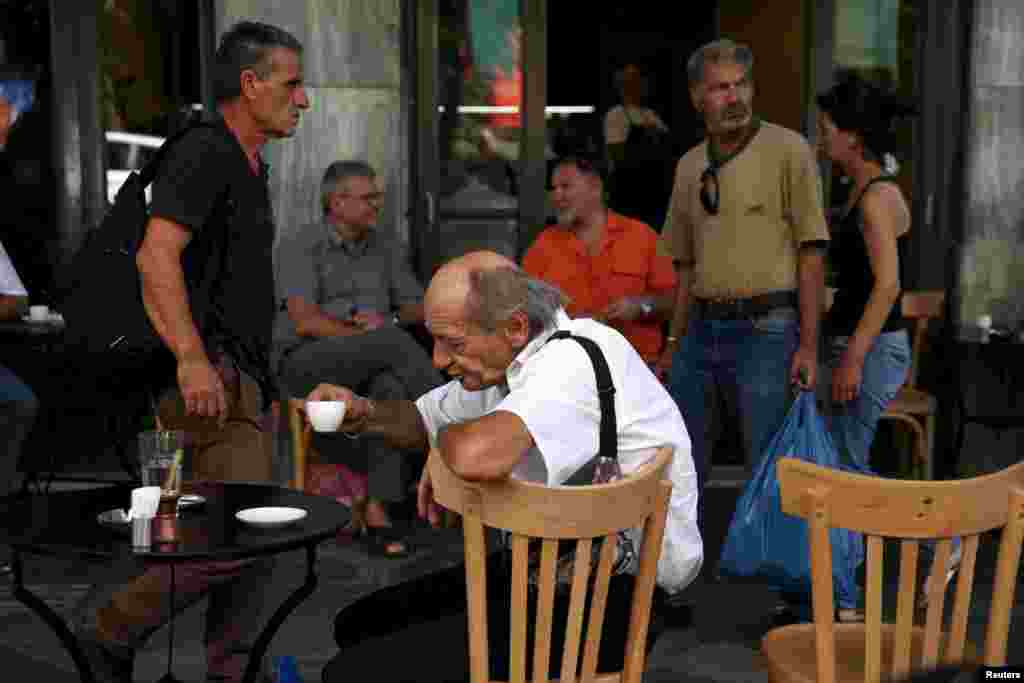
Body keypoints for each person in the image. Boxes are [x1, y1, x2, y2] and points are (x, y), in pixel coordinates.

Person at [314, 251, 702, 682]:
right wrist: (363, 412)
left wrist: (444, 453)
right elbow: (425, 421)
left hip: (610, 602)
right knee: (358, 624)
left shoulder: (570, 363)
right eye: (436, 341)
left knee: (352, 673)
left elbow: (475, 455)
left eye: (454, 343)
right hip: (552, 569)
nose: (438, 360)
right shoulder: (507, 365)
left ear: (515, 327)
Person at [76, 21, 309, 683]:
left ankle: (228, 665)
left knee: (208, 536)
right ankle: (109, 630)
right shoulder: (207, 152)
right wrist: (192, 358)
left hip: (221, 384)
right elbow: (157, 255)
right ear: (250, 82)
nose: (304, 98)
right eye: (292, 83)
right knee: (235, 533)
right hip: (202, 388)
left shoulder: (244, 160)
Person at [657, 38, 829, 528]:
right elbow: (685, 266)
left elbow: (811, 253)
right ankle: (674, 579)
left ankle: (787, 593)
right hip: (700, 333)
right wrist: (673, 341)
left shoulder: (788, 150)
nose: (733, 98)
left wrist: (809, 346)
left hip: (769, 330)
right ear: (697, 97)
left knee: (773, 468)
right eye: (719, 88)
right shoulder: (689, 166)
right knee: (680, 462)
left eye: (741, 85)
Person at [817, 74, 958, 613]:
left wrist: (853, 355)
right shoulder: (864, 191)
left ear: (853, 137)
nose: (822, 138)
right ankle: (848, 590)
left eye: (828, 129)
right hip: (861, 343)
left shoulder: (876, 198)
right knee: (844, 467)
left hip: (870, 349)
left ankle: (935, 538)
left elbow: (888, 285)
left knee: (847, 469)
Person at [275, 159, 443, 557]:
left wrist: (390, 319)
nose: (376, 205)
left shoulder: (386, 245)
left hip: (374, 360)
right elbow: (305, 322)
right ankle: (454, 426)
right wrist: (372, 336)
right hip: (307, 361)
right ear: (336, 202)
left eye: (377, 197)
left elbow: (419, 307)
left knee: (387, 387)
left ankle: (378, 509)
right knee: (391, 345)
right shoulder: (300, 245)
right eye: (367, 198)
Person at [522, 155, 677, 366]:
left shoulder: (641, 236)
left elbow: (672, 302)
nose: (556, 195)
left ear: (595, 187)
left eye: (565, 186)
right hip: (566, 371)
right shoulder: (542, 245)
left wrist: (640, 307)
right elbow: (526, 313)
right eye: (553, 188)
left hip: (637, 369)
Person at [604, 63, 675, 230]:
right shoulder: (616, 115)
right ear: (620, 86)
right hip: (628, 198)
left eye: (639, 80)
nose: (636, 84)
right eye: (630, 80)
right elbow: (618, 157)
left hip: (655, 198)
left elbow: (668, 150)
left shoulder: (651, 115)